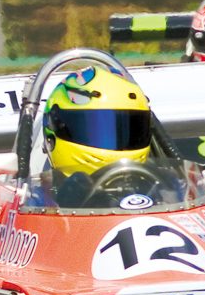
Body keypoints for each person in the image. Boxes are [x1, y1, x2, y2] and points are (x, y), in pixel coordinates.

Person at [39, 65, 154, 207]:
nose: (116, 144)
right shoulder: (37, 201)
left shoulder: (158, 188)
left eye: (133, 128)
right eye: (96, 130)